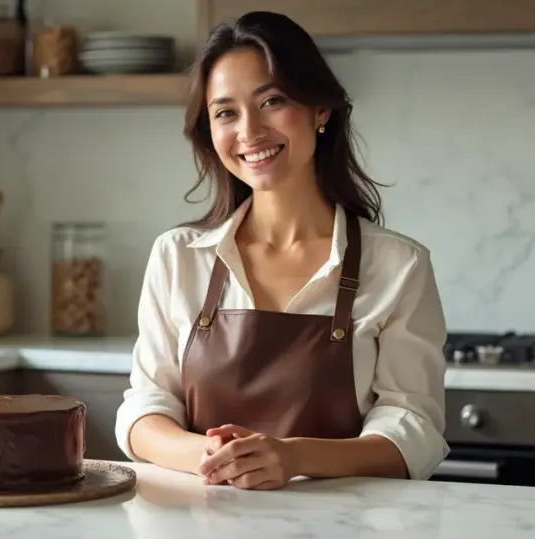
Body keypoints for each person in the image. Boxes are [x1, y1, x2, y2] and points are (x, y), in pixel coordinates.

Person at [114, 11, 449, 491]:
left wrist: (289, 456)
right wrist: (216, 456)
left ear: (321, 111)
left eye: (273, 101)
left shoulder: (398, 266)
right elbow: (144, 409)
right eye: (225, 112)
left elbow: (413, 431)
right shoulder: (178, 256)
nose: (249, 131)